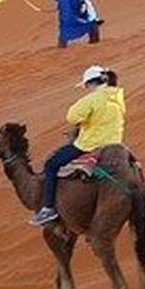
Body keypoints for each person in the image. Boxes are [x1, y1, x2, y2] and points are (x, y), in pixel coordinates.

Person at [29, 65, 126, 226]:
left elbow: (72, 117)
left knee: (51, 165)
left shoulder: (92, 99)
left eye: (86, 86)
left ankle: (48, 209)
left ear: (89, 84)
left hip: (90, 144)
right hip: (115, 143)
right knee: (134, 164)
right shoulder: (117, 96)